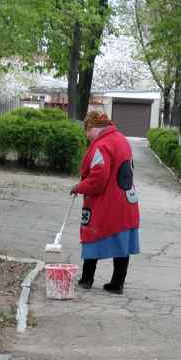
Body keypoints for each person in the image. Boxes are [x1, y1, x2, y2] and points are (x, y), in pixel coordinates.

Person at [71, 108, 140, 293]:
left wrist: (79, 187)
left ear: (93, 127)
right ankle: (117, 284)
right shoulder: (122, 140)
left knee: (92, 235)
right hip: (126, 201)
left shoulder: (102, 145)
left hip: (107, 203)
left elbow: (98, 179)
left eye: (87, 131)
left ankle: (87, 279)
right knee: (122, 244)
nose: (87, 136)